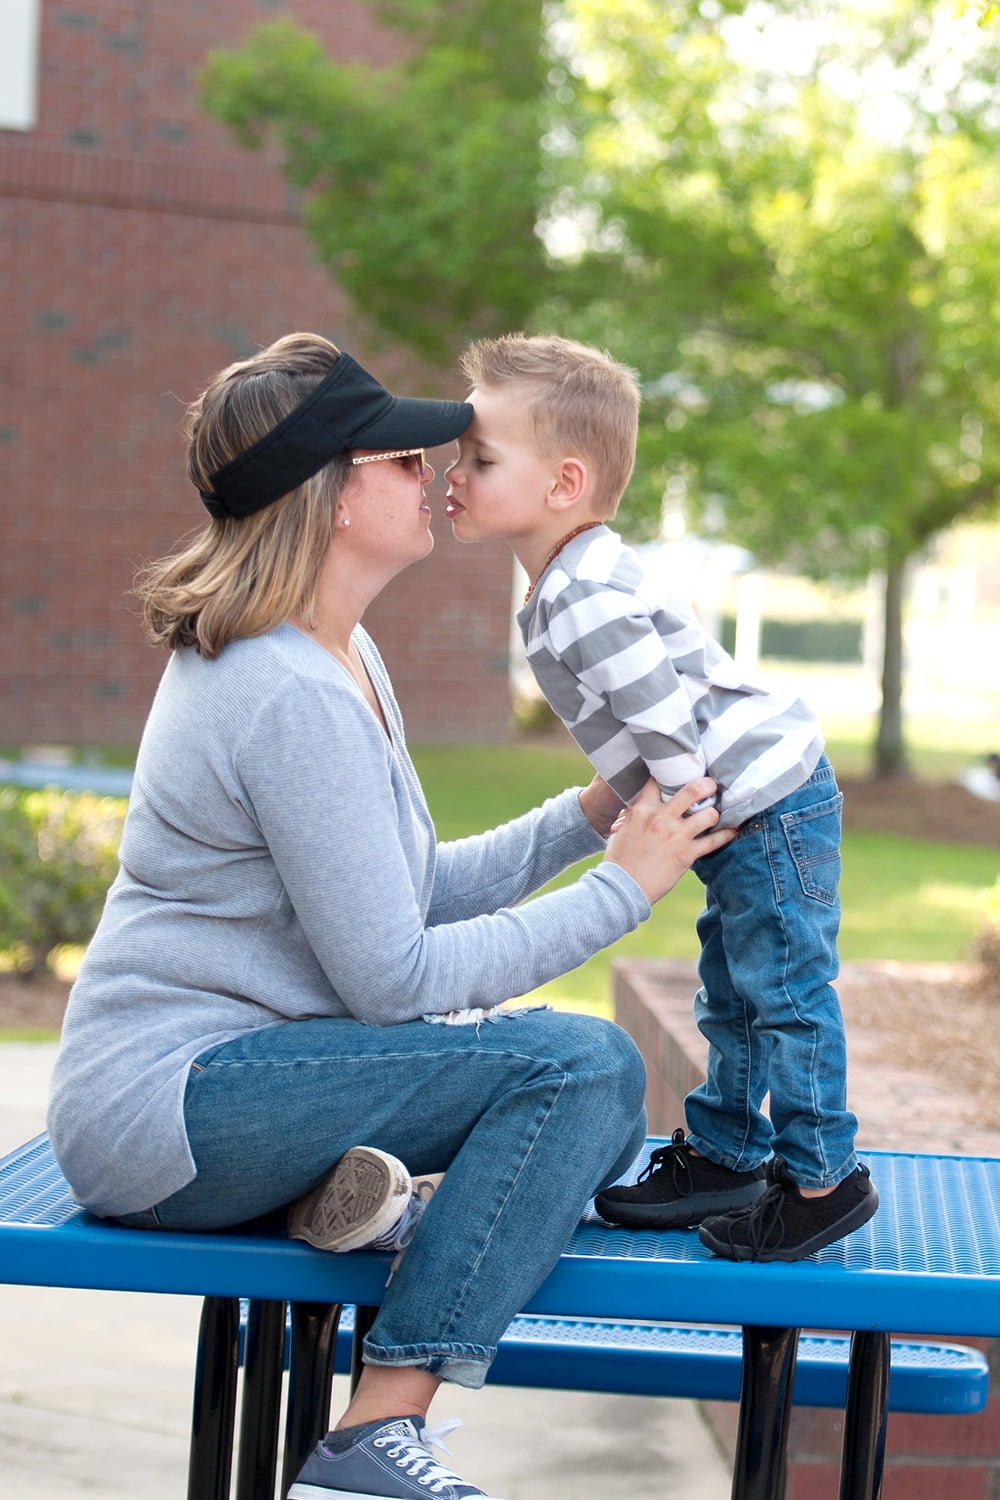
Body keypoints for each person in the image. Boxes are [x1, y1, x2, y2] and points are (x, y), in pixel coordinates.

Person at [46, 332, 736, 1500]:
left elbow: (408, 891)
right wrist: (624, 890)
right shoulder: (280, 687)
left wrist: (591, 811)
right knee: (576, 1072)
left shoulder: (341, 650)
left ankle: (373, 1208)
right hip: (174, 1103)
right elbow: (394, 978)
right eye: (401, 457)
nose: (434, 470)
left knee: (593, 1127)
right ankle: (373, 1431)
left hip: (255, 1079)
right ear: (328, 492)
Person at [444, 332, 878, 1265]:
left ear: (562, 483)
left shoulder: (581, 591)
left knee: (784, 989)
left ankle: (821, 1179)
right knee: (735, 985)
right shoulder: (576, 572)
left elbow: (649, 693)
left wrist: (677, 790)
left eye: (480, 458)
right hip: (749, 800)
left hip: (760, 798)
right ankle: (725, 1153)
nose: (454, 470)